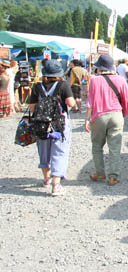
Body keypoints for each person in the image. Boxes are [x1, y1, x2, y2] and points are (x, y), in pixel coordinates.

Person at [84, 55, 128, 185]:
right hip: (116, 115)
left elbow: (90, 102)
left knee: (97, 146)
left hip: (99, 116)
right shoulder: (120, 79)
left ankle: (100, 173)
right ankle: (114, 176)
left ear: (99, 67)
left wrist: (87, 119)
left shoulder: (94, 80)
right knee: (115, 148)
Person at [29, 59, 76, 196]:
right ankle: (56, 185)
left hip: (41, 123)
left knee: (43, 150)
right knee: (59, 150)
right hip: (59, 123)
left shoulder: (37, 86)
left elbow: (32, 107)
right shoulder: (63, 85)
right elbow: (71, 103)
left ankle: (46, 178)